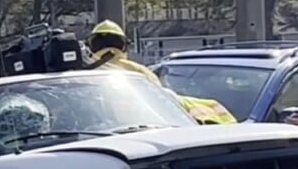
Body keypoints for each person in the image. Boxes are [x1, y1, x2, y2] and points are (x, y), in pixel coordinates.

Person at [86, 20, 236, 125]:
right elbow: (162, 101)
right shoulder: (141, 72)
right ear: (125, 46)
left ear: (91, 46)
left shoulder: (83, 73)